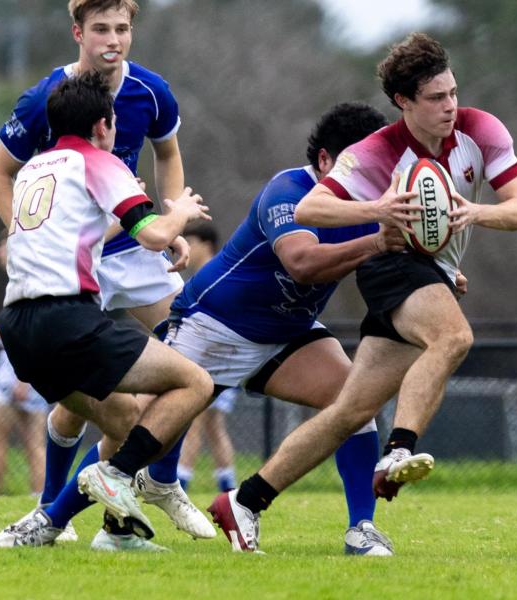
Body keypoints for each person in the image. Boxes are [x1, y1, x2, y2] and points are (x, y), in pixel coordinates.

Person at [208, 32, 517, 553]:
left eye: (452, 92)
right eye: (435, 98)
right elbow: (309, 210)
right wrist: (378, 209)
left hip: (433, 270)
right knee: (453, 338)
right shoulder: (376, 152)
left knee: (347, 411)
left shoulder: (481, 130)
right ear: (403, 102)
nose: (450, 105)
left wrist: (473, 211)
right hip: (389, 266)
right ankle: (398, 450)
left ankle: (245, 500)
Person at [0, 0, 212, 548]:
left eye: (123, 28)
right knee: (171, 387)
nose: (113, 39)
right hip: (76, 267)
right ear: (77, 34)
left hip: (70, 278)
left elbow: (167, 155)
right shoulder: (50, 103)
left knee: (188, 345)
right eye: (101, 29)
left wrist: (166, 215)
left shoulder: (150, 91)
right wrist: (26, 237)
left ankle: (149, 487)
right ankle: (55, 507)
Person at [166, 102, 405, 555]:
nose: (370, 174)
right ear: (324, 162)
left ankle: (361, 529)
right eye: (358, 164)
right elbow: (300, 264)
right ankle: (52, 515)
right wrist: (377, 241)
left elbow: (396, 257)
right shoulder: (290, 190)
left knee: (354, 398)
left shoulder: (370, 203)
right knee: (137, 437)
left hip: (286, 333)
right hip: (215, 326)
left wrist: (439, 279)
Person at [175, 222, 238, 494]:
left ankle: (180, 485)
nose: (186, 249)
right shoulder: (204, 276)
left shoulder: (215, 275)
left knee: (193, 423)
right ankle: (229, 487)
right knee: (214, 426)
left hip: (213, 361)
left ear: (206, 245)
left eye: (191, 243)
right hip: (219, 361)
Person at [0, 234, 47, 498]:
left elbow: (33, 331)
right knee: (30, 440)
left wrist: (22, 379)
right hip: (25, 374)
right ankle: (39, 498)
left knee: (6, 438)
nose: (0, 251)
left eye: (4, 245)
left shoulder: (26, 284)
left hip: (19, 375)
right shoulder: (20, 281)